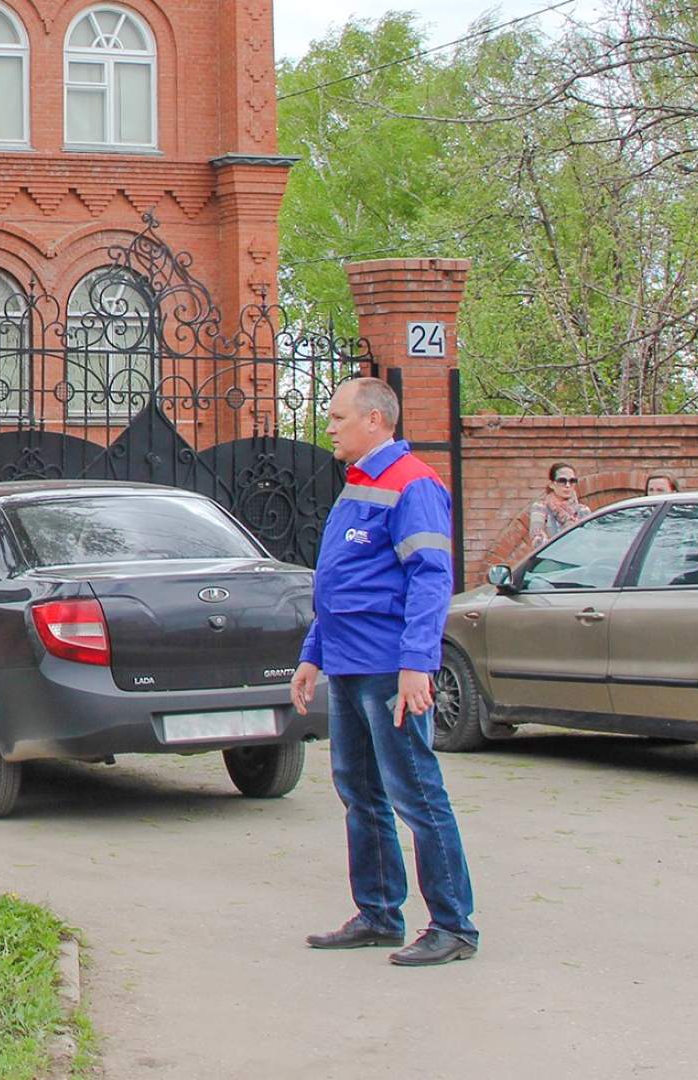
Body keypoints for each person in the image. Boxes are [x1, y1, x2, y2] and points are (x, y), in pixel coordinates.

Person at [290, 377, 478, 967]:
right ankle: (378, 914)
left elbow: (430, 578)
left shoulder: (413, 483)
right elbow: (338, 582)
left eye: (338, 417)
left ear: (374, 420)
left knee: (416, 794)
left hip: (387, 667)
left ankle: (453, 926)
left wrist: (417, 664)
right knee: (360, 793)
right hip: (347, 663)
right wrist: (312, 653)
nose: (330, 427)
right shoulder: (358, 483)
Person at [527, 462, 589, 551]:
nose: (567, 485)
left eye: (572, 481)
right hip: (551, 561)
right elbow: (537, 540)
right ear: (552, 484)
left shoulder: (583, 510)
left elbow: (587, 542)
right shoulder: (541, 507)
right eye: (562, 481)